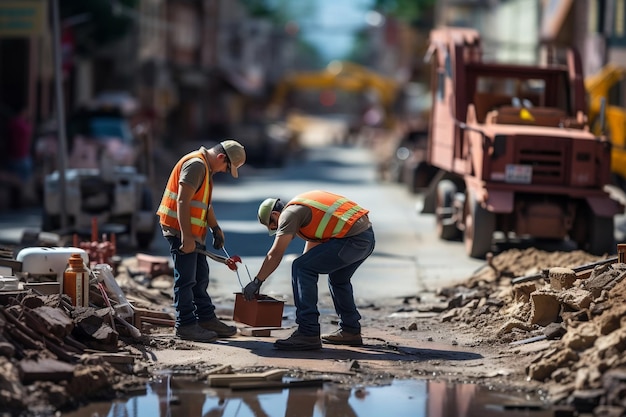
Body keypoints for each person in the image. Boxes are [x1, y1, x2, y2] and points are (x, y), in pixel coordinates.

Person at [244, 190, 375, 350]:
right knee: (337, 279)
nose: (277, 229)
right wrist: (303, 279)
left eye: (273, 225)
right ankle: (350, 330)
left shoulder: (289, 214)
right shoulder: (304, 208)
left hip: (353, 240)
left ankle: (308, 332)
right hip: (366, 238)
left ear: (276, 215)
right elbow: (311, 256)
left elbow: (276, 253)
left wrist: (257, 281)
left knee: (300, 266)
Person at [157, 140, 246, 342]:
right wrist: (186, 237)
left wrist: (215, 228)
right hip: (181, 232)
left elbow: (204, 204)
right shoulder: (196, 165)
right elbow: (182, 200)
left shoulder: (205, 167)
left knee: (200, 277)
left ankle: (206, 319)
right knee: (186, 280)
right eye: (226, 167)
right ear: (222, 158)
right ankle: (185, 325)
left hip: (193, 233)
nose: (224, 171)